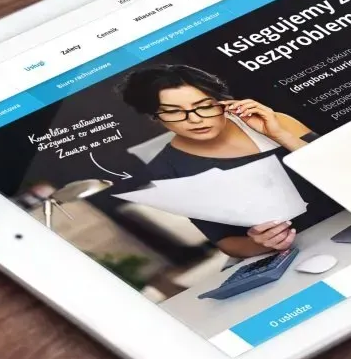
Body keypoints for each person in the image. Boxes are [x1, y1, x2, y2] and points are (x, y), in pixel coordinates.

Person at [120, 63, 337, 259]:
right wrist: (259, 243)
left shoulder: (276, 122)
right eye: (174, 112)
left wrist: (281, 136)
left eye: (205, 106)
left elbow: (345, 169)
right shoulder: (168, 170)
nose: (195, 119)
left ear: (222, 102)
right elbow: (226, 241)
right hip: (297, 252)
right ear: (154, 116)